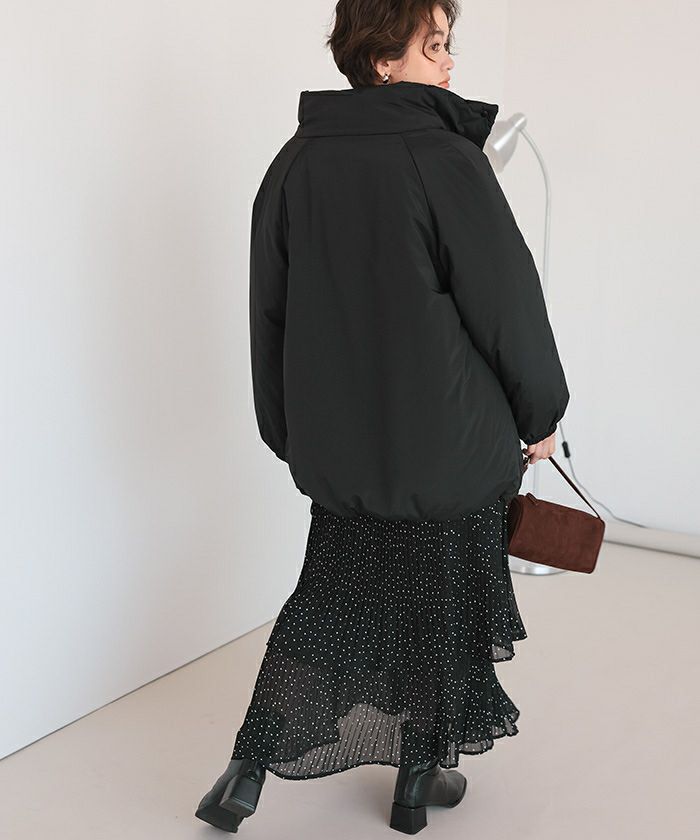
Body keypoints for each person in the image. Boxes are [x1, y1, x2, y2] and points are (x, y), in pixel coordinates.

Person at [195, 0, 569, 834]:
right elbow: (508, 303)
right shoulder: (444, 159)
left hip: (343, 449)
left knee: (325, 604)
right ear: (381, 61)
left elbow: (269, 313)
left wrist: (287, 432)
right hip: (450, 443)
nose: (449, 61)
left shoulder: (295, 162)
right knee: (442, 607)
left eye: (448, 44)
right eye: (433, 46)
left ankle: (246, 771)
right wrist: (542, 412)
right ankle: (414, 785)